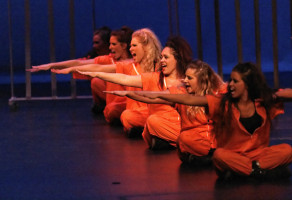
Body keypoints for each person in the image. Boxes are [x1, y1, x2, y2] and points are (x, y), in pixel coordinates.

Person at [139, 62, 292, 180]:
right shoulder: (223, 102)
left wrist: (274, 95)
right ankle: (259, 171)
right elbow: (186, 98)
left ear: (247, 84)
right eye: (230, 80)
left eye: (235, 81)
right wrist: (150, 95)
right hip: (234, 156)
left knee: (287, 150)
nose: (231, 84)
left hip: (257, 156)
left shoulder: (262, 103)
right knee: (219, 155)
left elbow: (287, 93)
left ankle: (251, 171)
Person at [36, 28, 162, 135]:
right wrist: (62, 67)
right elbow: (94, 67)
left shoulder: (159, 66)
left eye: (134, 46)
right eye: (131, 46)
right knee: (124, 114)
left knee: (156, 118)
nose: (131, 49)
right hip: (132, 109)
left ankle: (151, 128)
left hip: (156, 109)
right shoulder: (127, 65)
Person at [78, 36, 193, 150]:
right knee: (143, 119)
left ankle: (177, 141)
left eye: (166, 57)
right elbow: (123, 79)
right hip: (154, 117)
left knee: (153, 122)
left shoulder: (188, 78)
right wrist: (92, 73)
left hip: (181, 122)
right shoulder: (155, 76)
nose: (162, 60)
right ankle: (177, 141)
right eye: (161, 57)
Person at [28, 26, 133, 124]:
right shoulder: (108, 60)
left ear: (124, 46)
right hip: (117, 103)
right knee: (112, 109)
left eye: (113, 44)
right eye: (109, 44)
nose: (110, 47)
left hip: (133, 101)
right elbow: (79, 63)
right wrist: (52, 65)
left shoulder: (134, 62)